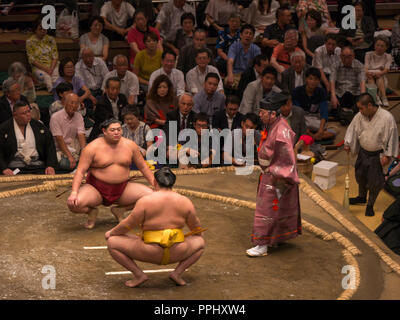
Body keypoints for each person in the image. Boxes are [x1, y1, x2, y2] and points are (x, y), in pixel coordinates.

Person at [105, 166, 205, 287]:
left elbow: (128, 224)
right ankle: (177, 274)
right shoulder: (185, 201)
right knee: (200, 243)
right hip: (177, 251)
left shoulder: (146, 201)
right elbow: (197, 229)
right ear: (173, 183)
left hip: (149, 251)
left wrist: (112, 233)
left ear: (154, 182)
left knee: (112, 242)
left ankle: (139, 275)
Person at [67, 119, 155, 229]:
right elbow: (80, 172)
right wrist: (74, 192)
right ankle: (91, 212)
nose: (116, 132)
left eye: (119, 129)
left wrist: (155, 184)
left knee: (153, 196)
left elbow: (143, 167)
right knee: (74, 204)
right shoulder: (91, 148)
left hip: (122, 188)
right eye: (112, 130)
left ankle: (121, 210)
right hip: (96, 189)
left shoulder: (130, 146)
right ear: (104, 131)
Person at [246, 92, 301, 257]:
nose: (260, 115)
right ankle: (275, 239)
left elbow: (287, 158)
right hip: (269, 174)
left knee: (267, 210)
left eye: (263, 112)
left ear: (272, 114)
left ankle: (262, 244)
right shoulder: (272, 125)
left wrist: (274, 171)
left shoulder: (281, 130)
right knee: (276, 210)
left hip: (277, 177)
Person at [344, 93, 399, 216]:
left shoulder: (387, 118)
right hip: (363, 152)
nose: (359, 111)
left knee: (375, 182)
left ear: (369, 105)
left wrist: (388, 155)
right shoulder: (360, 116)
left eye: (361, 108)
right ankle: (361, 197)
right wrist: (348, 143)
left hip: (377, 155)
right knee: (360, 175)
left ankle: (370, 205)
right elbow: (352, 129)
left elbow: (392, 138)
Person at [0, 101, 57, 175]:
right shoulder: (4, 129)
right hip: (14, 168)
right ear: (15, 115)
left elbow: (50, 148)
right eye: (24, 113)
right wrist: (4, 168)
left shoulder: (39, 126)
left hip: (37, 166)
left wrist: (50, 166)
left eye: (28, 111)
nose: (28, 115)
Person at [292, 67, 334, 141]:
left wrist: (321, 130)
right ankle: (314, 136)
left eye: (316, 79)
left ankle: (314, 136)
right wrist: (307, 131)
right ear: (306, 79)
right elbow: (297, 112)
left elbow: (324, 112)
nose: (313, 81)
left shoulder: (321, 92)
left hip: (314, 118)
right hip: (302, 119)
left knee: (334, 131)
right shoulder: (297, 91)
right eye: (310, 78)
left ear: (319, 81)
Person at [50, 93, 86, 171]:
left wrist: (84, 152)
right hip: (60, 150)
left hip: (74, 148)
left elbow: (81, 135)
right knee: (66, 164)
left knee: (90, 159)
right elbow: (59, 139)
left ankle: (78, 169)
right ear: (65, 103)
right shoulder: (55, 117)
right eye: (71, 103)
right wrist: (69, 156)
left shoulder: (79, 116)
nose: (74, 106)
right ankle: (78, 169)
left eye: (76, 103)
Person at [89, 77, 129, 141]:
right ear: (106, 89)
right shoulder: (101, 102)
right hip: (104, 130)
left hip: (121, 128)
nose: (115, 91)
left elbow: (127, 113)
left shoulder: (122, 98)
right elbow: (108, 120)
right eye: (112, 89)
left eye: (117, 89)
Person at [330, 46, 366, 116]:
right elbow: (332, 80)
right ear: (340, 56)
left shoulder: (359, 66)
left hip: (354, 93)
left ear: (353, 56)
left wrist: (362, 98)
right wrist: (333, 96)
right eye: (344, 56)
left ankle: (345, 114)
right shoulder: (335, 65)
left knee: (363, 102)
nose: (346, 59)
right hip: (340, 93)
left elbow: (362, 82)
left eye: (349, 56)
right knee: (330, 100)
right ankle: (348, 114)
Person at [26, 17, 59, 92]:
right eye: (40, 29)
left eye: (45, 28)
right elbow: (32, 60)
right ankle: (53, 92)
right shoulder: (30, 41)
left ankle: (59, 93)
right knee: (46, 77)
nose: (43, 31)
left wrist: (51, 68)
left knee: (55, 78)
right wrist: (46, 69)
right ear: (35, 29)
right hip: (38, 68)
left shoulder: (51, 39)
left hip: (52, 66)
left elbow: (55, 56)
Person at [226, 24, 261, 90]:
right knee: (227, 81)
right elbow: (230, 62)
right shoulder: (234, 46)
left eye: (250, 34)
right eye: (246, 33)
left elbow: (258, 65)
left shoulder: (256, 49)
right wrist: (230, 75)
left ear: (253, 37)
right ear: (241, 35)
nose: (248, 35)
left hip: (250, 76)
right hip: (236, 74)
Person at [364, 36, 392, 107]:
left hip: (380, 75)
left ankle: (383, 97)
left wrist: (379, 73)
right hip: (369, 75)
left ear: (386, 47)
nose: (379, 47)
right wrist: (368, 73)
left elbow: (386, 69)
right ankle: (375, 97)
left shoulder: (388, 56)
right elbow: (366, 67)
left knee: (380, 77)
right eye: (377, 45)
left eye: (382, 46)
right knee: (370, 78)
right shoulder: (368, 54)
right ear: (374, 45)